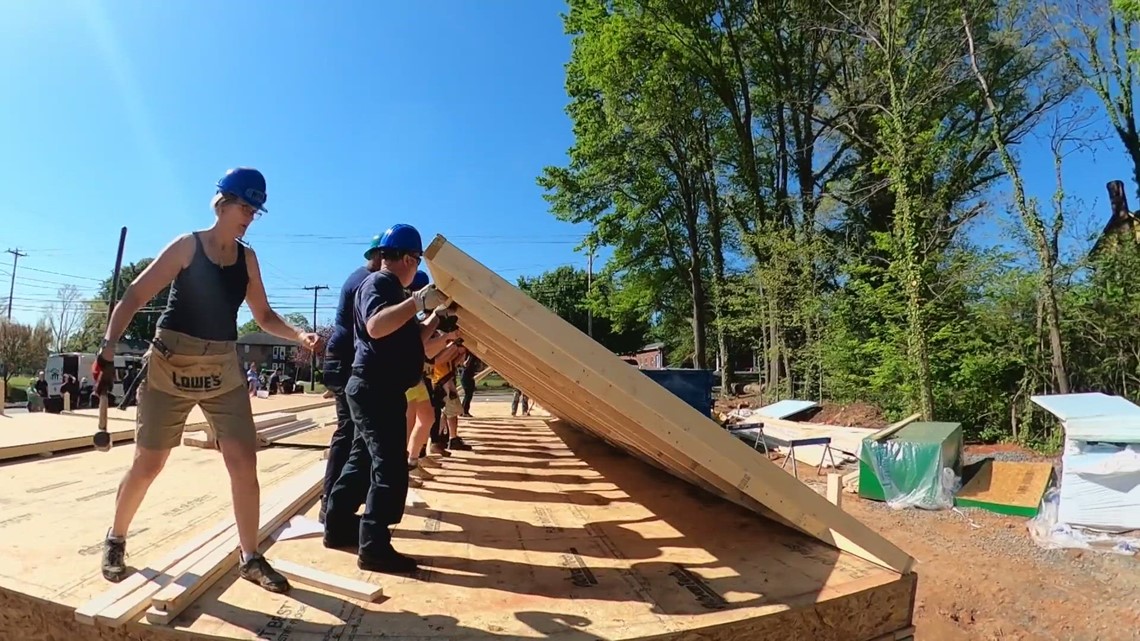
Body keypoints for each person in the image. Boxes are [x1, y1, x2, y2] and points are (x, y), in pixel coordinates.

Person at [94, 167, 320, 593]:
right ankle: (116, 538)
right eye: (243, 206)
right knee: (149, 463)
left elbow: (264, 316)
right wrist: (107, 348)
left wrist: (298, 335)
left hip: (221, 367)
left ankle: (250, 557)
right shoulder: (187, 246)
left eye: (255, 210)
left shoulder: (247, 259)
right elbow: (134, 296)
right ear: (221, 203)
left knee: (243, 460)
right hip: (170, 366)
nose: (249, 216)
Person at [322, 224, 449, 573]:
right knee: (390, 466)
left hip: (376, 389)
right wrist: (418, 301)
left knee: (361, 461)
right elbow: (377, 326)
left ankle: (337, 526)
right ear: (408, 258)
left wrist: (435, 315)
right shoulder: (379, 284)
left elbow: (415, 341)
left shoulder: (395, 291)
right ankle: (375, 546)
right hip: (375, 388)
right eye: (417, 260)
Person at [318, 236, 386, 523]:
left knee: (351, 433)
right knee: (348, 433)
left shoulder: (363, 277)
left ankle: (335, 503)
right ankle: (330, 505)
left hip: (342, 358)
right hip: (344, 361)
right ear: (379, 256)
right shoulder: (367, 281)